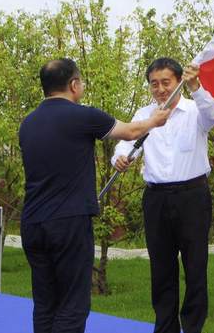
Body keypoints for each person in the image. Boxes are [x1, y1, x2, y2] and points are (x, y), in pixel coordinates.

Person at [18, 57, 171, 333]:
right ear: (74, 84)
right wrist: (156, 120)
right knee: (72, 304)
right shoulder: (83, 115)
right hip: (68, 223)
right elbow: (130, 131)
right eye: (81, 82)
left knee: (44, 303)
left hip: (32, 222)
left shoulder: (27, 123)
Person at [112, 58, 214, 333]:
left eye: (166, 82)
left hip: (192, 198)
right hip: (156, 199)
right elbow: (125, 142)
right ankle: (165, 327)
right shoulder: (144, 114)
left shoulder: (196, 109)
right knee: (161, 270)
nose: (160, 89)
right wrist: (120, 158)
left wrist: (196, 85)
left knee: (195, 268)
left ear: (178, 82)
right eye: (154, 83)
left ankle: (193, 327)